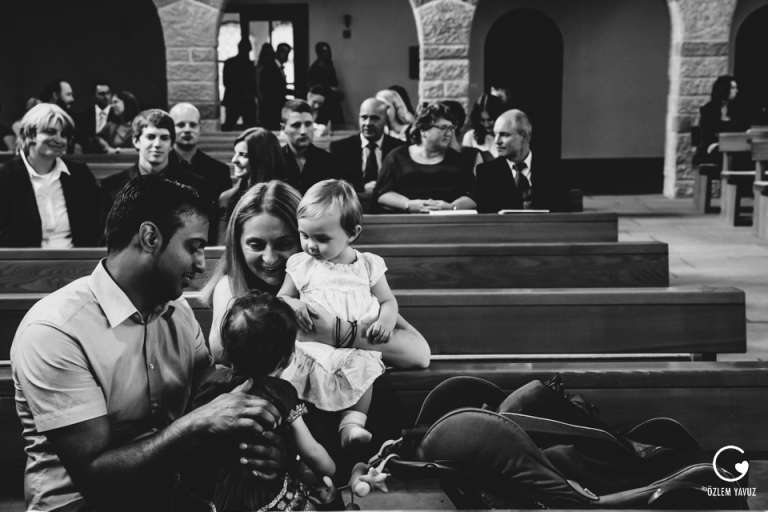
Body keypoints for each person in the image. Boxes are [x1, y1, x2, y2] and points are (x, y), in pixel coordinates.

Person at [11, 175, 291, 511]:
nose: (202, 264)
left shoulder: (179, 312)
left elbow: (214, 396)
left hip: (173, 493)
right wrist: (197, 421)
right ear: (150, 237)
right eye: (194, 246)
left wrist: (261, 448)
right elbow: (94, 474)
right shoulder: (55, 330)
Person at [200, 179, 430, 371]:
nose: (269, 258)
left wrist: (335, 332)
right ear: (237, 245)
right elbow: (223, 353)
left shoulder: (344, 278)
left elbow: (419, 353)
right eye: (256, 245)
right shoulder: (230, 286)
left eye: (284, 243)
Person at [173, 291, 336, 512]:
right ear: (288, 357)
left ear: (228, 352)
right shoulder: (280, 393)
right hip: (257, 495)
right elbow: (311, 451)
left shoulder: (212, 386)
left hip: (206, 491)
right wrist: (330, 468)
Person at [278, 180, 395, 449]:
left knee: (366, 369)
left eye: (322, 239)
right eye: (304, 235)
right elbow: (281, 297)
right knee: (292, 374)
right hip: (312, 345)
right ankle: (295, 428)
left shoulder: (367, 265)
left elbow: (388, 300)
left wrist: (385, 321)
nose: (310, 246)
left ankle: (352, 425)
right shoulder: (302, 265)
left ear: (352, 233)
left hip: (354, 345)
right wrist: (293, 305)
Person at [0, 103, 102, 248]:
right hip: (23, 265)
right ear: (29, 134)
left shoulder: (79, 174)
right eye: (50, 132)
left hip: (77, 261)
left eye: (64, 135)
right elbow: (3, 234)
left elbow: (97, 224)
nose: (59, 139)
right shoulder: (5, 177)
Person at [101, 109, 205, 222]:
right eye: (150, 137)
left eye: (164, 138)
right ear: (136, 141)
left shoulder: (194, 185)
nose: (157, 144)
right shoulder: (112, 186)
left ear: (172, 144)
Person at [374, 101, 476, 213]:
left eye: (450, 128)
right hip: (404, 223)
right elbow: (381, 193)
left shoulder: (458, 160)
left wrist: (451, 207)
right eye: (442, 127)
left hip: (447, 222)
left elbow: (474, 196)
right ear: (423, 130)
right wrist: (408, 204)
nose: (449, 133)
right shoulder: (396, 157)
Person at [475, 109, 569, 213]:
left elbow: (563, 214)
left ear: (525, 136)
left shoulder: (554, 170)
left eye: (504, 135)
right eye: (495, 134)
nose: (497, 141)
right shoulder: (486, 173)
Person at [218, 126, 289, 240]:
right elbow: (221, 245)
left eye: (243, 155)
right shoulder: (227, 198)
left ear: (261, 158)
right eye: (235, 153)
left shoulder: (285, 199)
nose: (234, 160)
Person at [329, 98, 405, 193]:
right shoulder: (340, 148)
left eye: (374, 118)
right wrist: (362, 188)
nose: (368, 123)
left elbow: (403, 183)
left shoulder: (399, 148)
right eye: (364, 117)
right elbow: (335, 185)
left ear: (385, 121)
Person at [169, 102, 232, 204]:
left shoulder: (219, 171)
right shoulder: (160, 166)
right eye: (181, 125)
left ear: (200, 129)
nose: (187, 129)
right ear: (171, 129)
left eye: (193, 125)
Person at [280, 99, 345, 194]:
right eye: (296, 125)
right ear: (283, 128)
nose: (303, 131)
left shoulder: (330, 161)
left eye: (308, 124)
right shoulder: (274, 161)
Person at [694, 75, 750, 166]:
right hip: (714, 148)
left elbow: (744, 130)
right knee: (723, 155)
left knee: (743, 156)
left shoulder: (737, 110)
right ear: (724, 89)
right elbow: (706, 134)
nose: (736, 91)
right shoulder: (709, 110)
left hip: (734, 147)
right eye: (733, 88)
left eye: (736, 88)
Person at [222, 39, 257, 131]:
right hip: (234, 100)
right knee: (229, 125)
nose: (246, 51)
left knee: (250, 127)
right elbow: (226, 82)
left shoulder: (250, 65)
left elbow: (253, 83)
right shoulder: (230, 63)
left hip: (247, 100)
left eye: (248, 49)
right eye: (245, 49)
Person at [307, 42, 344, 126]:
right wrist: (329, 89)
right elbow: (312, 87)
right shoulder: (315, 68)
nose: (325, 54)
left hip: (333, 100)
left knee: (337, 125)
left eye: (327, 51)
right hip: (322, 102)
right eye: (323, 51)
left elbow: (335, 82)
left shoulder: (330, 66)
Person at [258, 42, 291, 130]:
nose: (286, 55)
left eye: (288, 52)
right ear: (277, 52)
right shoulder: (270, 68)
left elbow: (280, 88)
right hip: (271, 110)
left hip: (277, 109)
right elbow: (268, 90)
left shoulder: (278, 67)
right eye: (283, 51)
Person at [73, 79, 112, 153]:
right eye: (101, 94)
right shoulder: (83, 116)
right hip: (89, 154)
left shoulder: (118, 115)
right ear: (94, 96)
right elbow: (79, 139)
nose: (106, 97)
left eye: (108, 93)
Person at [463, 93, 505, 159]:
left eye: (490, 119)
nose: (486, 124)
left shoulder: (506, 137)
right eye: (482, 120)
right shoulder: (470, 137)